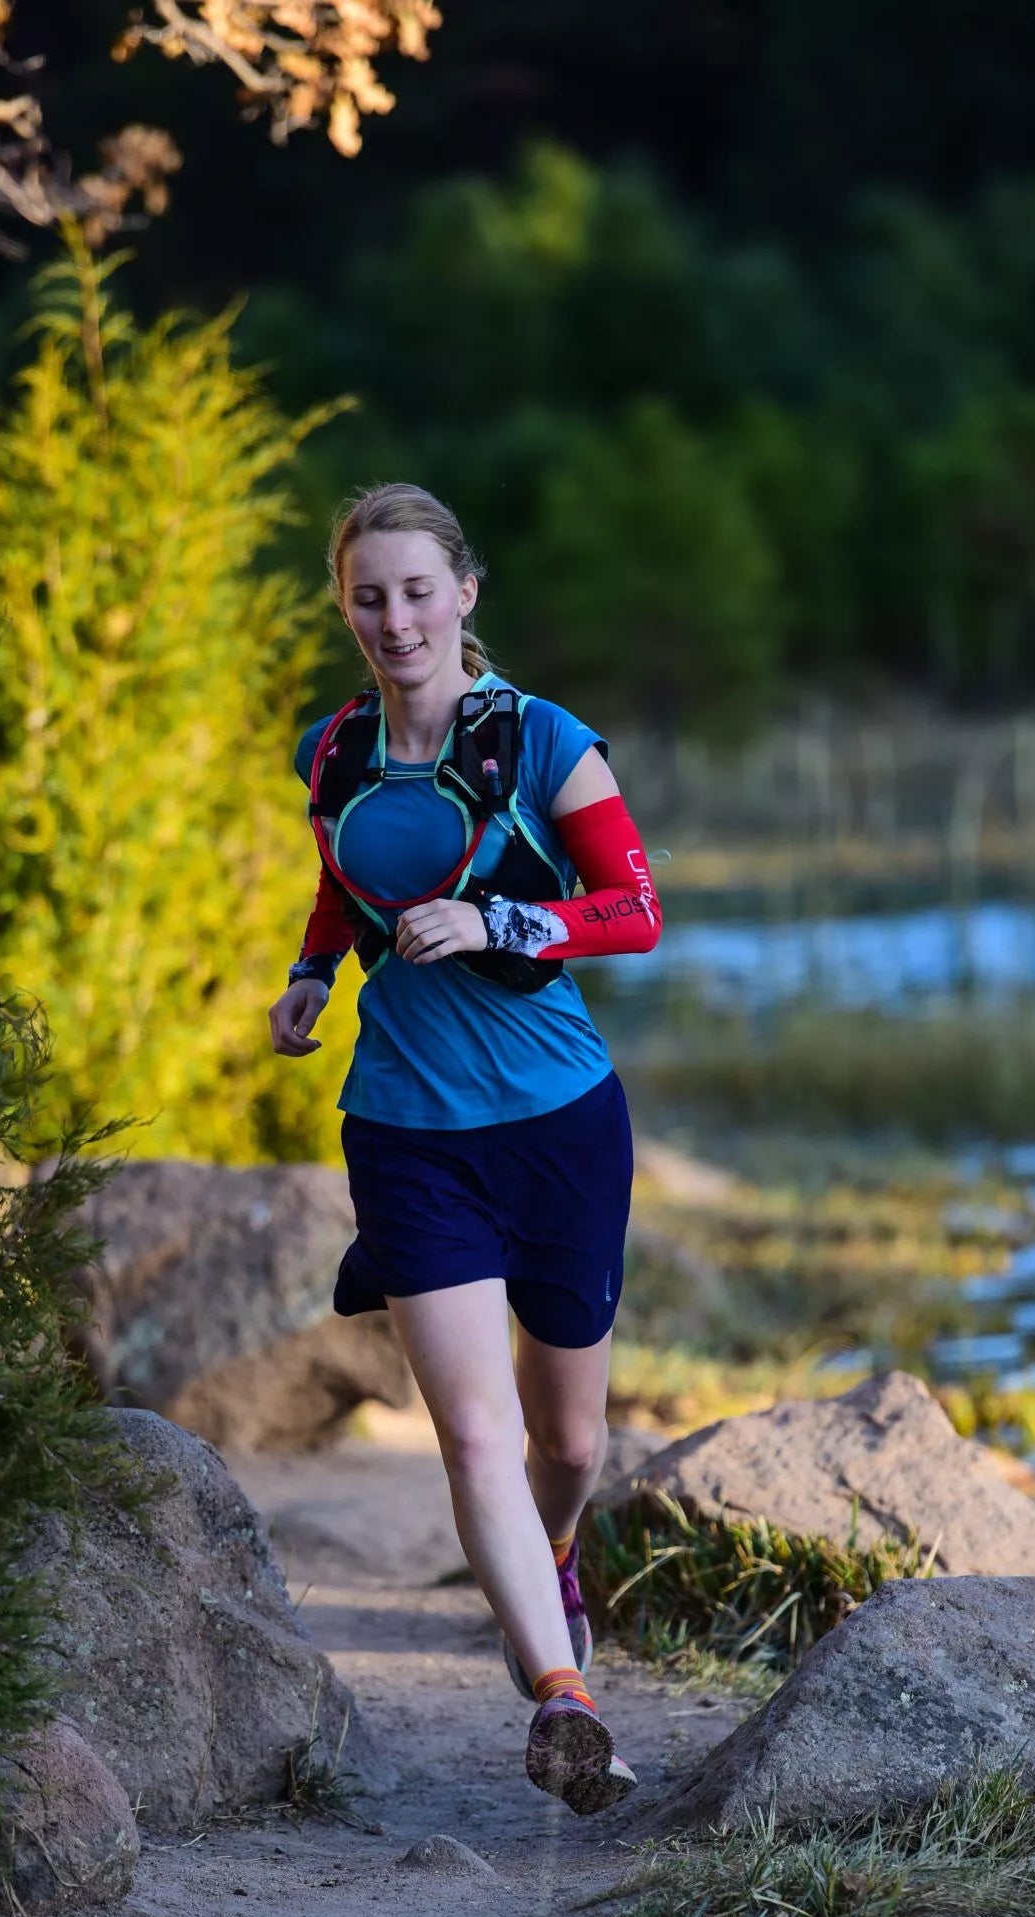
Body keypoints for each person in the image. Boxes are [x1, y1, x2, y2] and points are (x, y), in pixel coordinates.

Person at [267, 483, 662, 1816]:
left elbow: (635, 910)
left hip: (558, 1125)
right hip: (406, 1132)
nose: (395, 619)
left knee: (566, 1438)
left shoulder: (542, 741)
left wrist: (505, 924)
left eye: (417, 590)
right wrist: (313, 975)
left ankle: (548, 1558)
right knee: (472, 1434)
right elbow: (346, 870)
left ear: (465, 595)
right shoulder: (332, 751)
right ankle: (564, 1702)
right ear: (345, 608)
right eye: (368, 596)